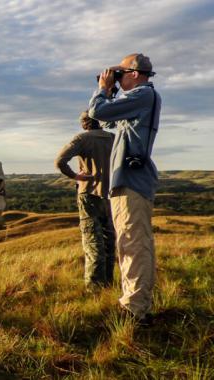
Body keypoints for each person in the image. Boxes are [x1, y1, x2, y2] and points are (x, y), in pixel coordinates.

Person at [88, 53, 161, 325]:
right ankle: (133, 303)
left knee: (133, 243)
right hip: (128, 180)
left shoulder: (144, 94)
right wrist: (112, 91)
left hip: (132, 180)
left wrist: (104, 90)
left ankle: (135, 309)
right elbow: (107, 122)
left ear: (134, 73)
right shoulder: (138, 100)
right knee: (130, 242)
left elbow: (97, 112)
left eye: (120, 74)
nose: (116, 78)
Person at [55, 111, 116, 291]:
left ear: (84, 123)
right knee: (108, 242)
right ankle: (108, 285)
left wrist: (76, 176)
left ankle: (94, 289)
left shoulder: (82, 139)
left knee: (92, 242)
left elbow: (60, 161)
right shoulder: (113, 138)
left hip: (88, 194)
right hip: (110, 194)